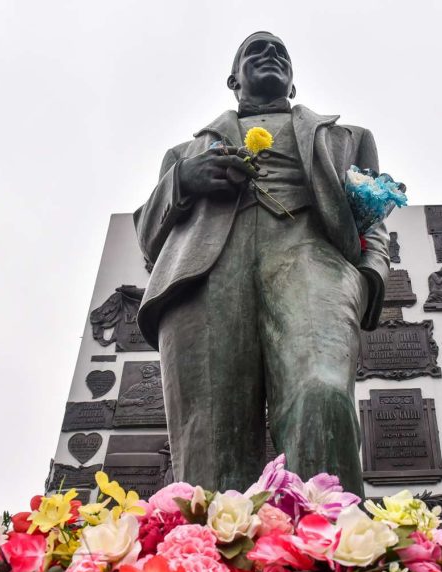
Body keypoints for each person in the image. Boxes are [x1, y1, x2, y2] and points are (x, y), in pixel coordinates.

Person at [133, 31, 391, 496]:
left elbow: (372, 215)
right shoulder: (182, 154)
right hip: (205, 274)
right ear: (233, 79)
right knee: (210, 437)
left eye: (281, 52)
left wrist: (371, 275)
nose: (271, 54)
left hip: (312, 257)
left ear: (292, 85)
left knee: (322, 393)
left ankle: (332, 550)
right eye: (256, 50)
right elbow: (149, 238)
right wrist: (182, 182)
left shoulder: (346, 137)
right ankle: (213, 560)